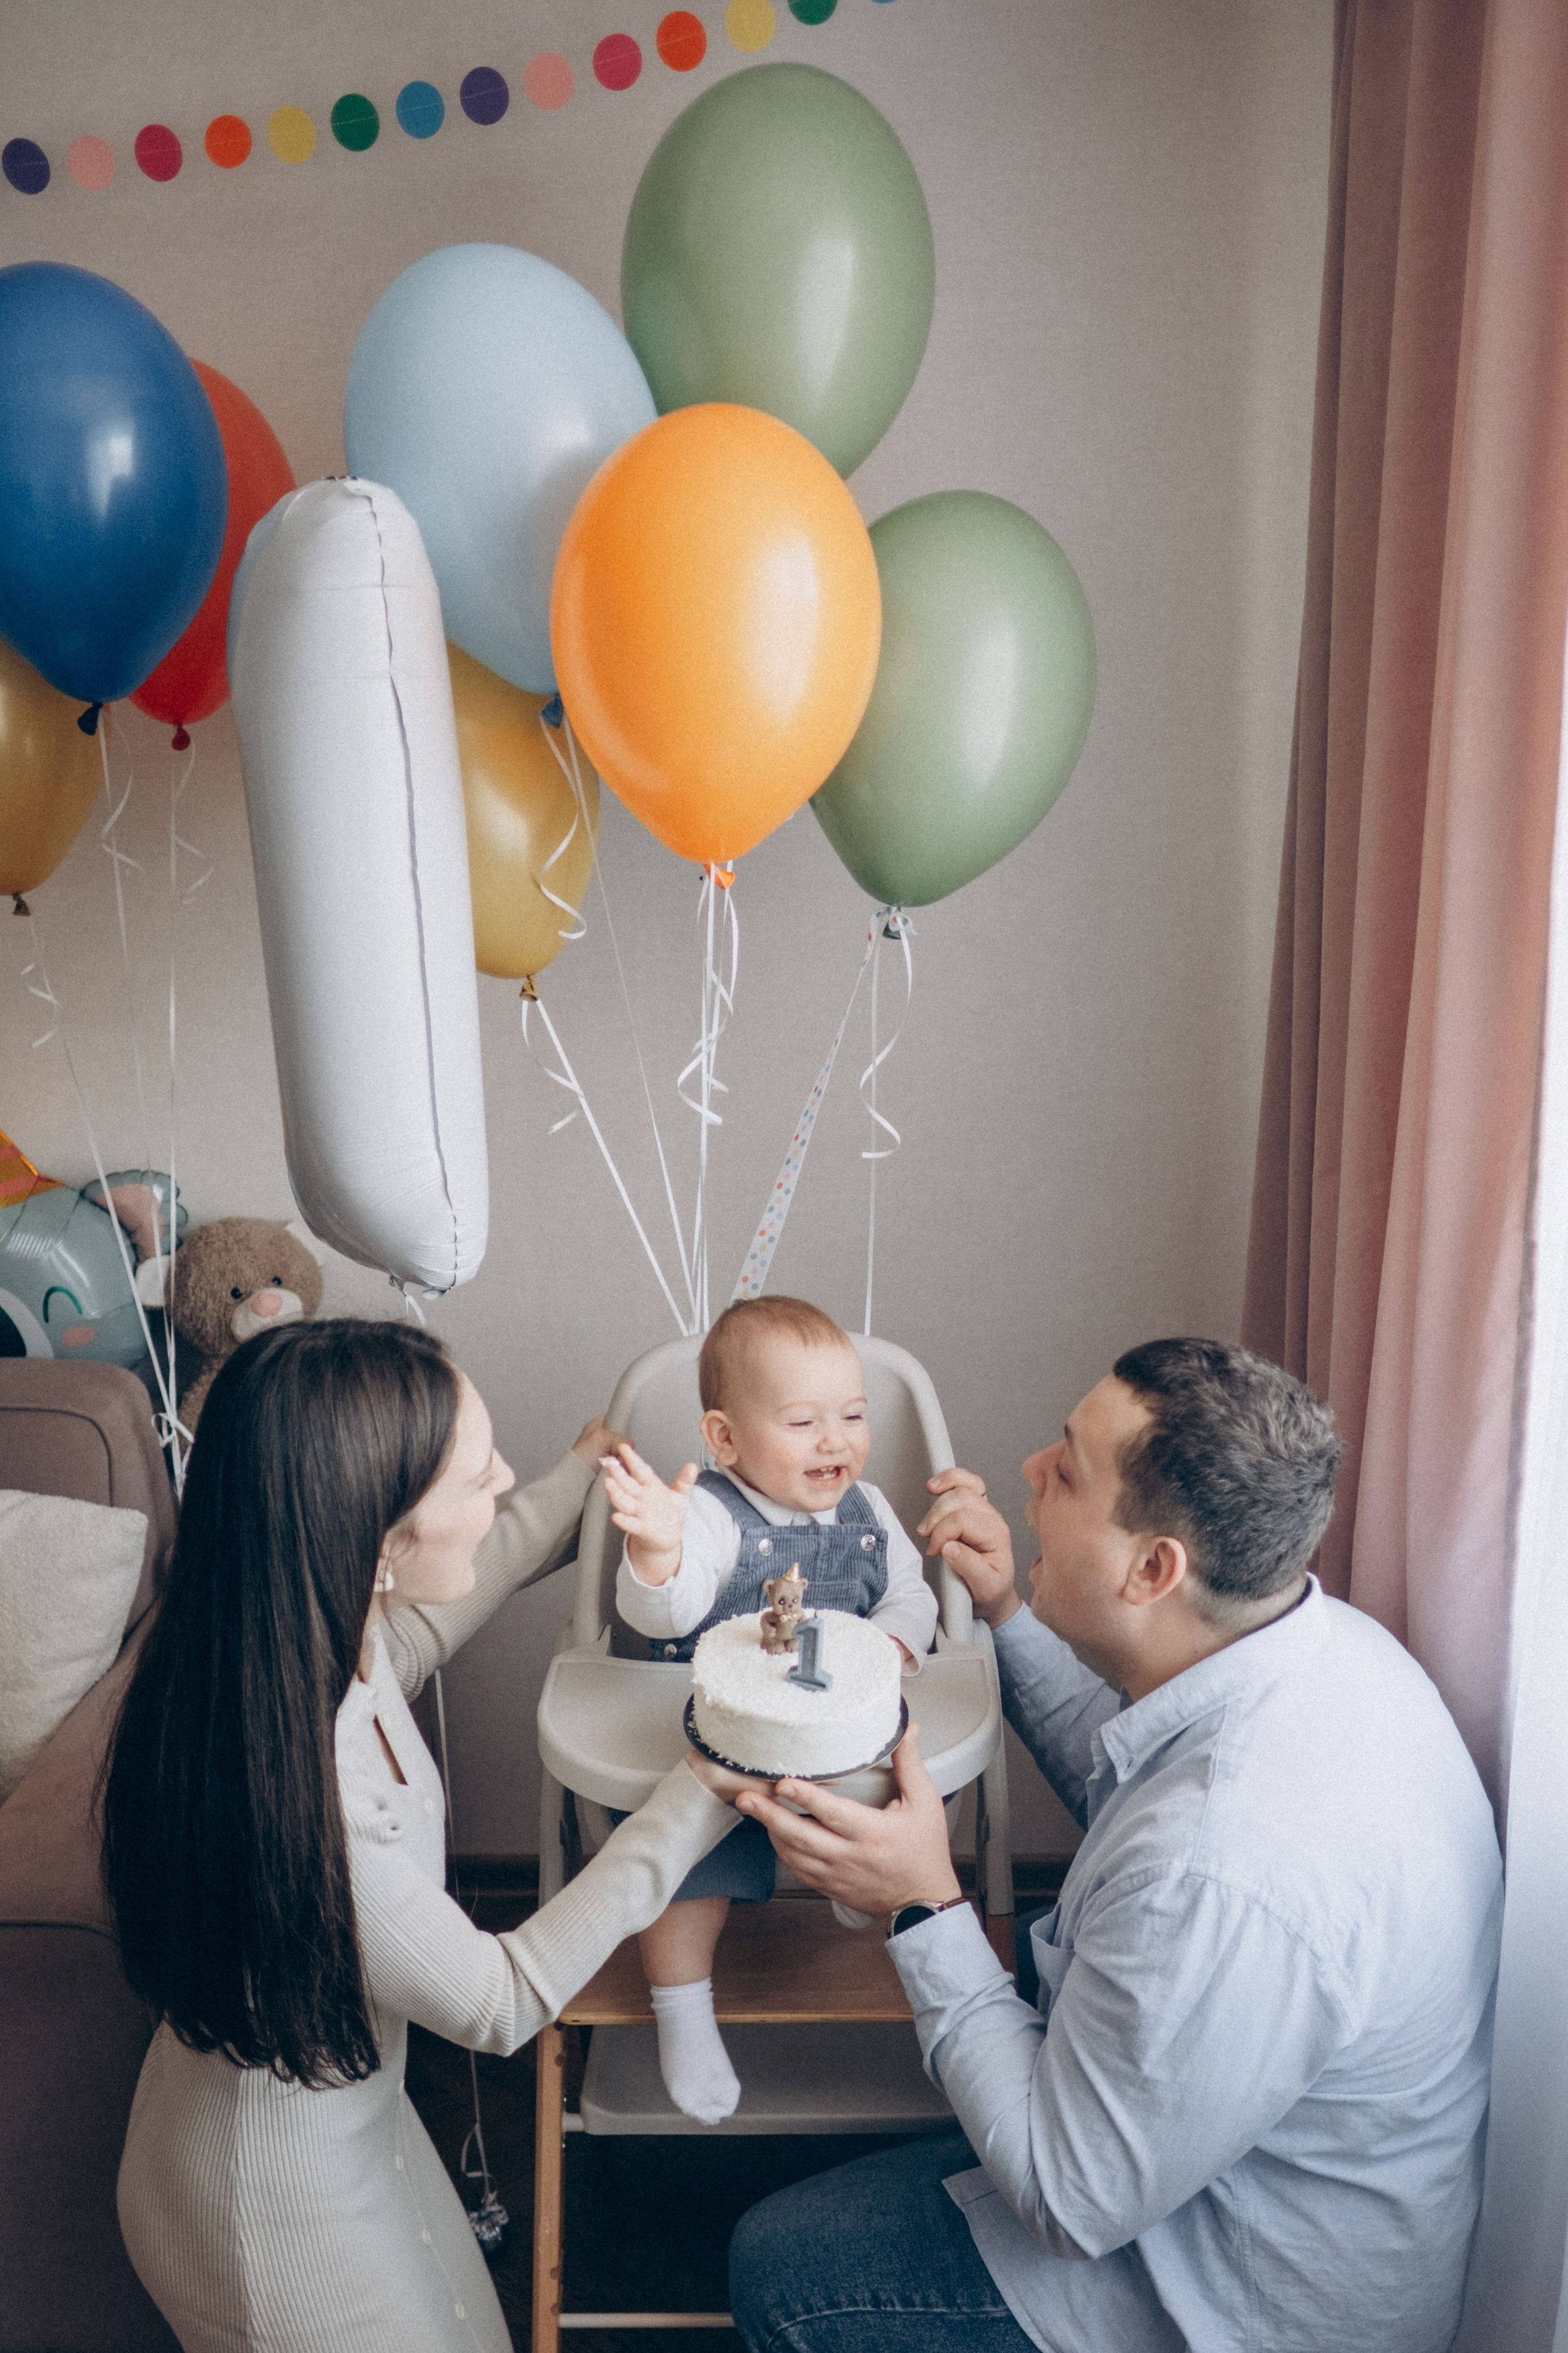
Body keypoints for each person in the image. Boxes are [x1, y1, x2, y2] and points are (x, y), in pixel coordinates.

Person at [728, 1337, 1504, 2353]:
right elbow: (1125, 1780)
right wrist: (1011, 1607)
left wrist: (919, 1903)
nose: (1029, 1475)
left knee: (783, 2264)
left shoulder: (1229, 1862)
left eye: (1066, 1466)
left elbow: (1066, 2198)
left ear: (1153, 1567)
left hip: (1220, 2293)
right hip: (1203, 2167)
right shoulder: (1326, 1650)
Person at [101, 1316, 742, 2353]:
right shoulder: (315, 1794)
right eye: (475, 1473)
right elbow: (497, 2001)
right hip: (266, 2215)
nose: (500, 1480)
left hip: (331, 2119)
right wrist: (697, 1793)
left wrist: (582, 1475)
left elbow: (427, 1623)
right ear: (381, 1540)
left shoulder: (288, 1643)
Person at [600, 1294, 938, 2122]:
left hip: (841, 1745)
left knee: (913, 1783)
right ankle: (684, 2011)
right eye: (802, 1421)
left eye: (852, 1415)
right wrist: (656, 1551)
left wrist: (892, 1648)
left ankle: (862, 1882)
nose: (837, 1439)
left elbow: (912, 1595)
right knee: (685, 1866)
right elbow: (666, 1613)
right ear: (725, 1438)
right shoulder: (711, 1516)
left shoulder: (871, 1512)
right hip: (724, 1753)